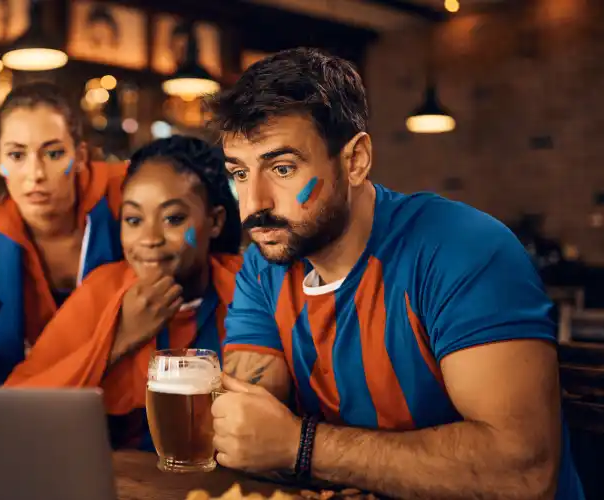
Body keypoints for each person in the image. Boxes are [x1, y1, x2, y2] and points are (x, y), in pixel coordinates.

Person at [207, 47, 584, 499]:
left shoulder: (462, 249)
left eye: (283, 168)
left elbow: (525, 473)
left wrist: (301, 446)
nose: (253, 206)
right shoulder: (264, 268)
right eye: (240, 175)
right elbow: (249, 431)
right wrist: (264, 440)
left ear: (355, 160)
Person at [3, 136, 242, 448]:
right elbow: (13, 409)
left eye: (173, 218)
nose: (149, 239)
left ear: (214, 222)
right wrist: (121, 338)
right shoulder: (102, 290)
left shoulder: (246, 288)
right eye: (134, 220)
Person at [0, 82, 127, 385]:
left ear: (79, 157)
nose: (35, 173)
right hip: (31, 402)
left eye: (53, 154)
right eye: (16, 156)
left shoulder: (124, 197)